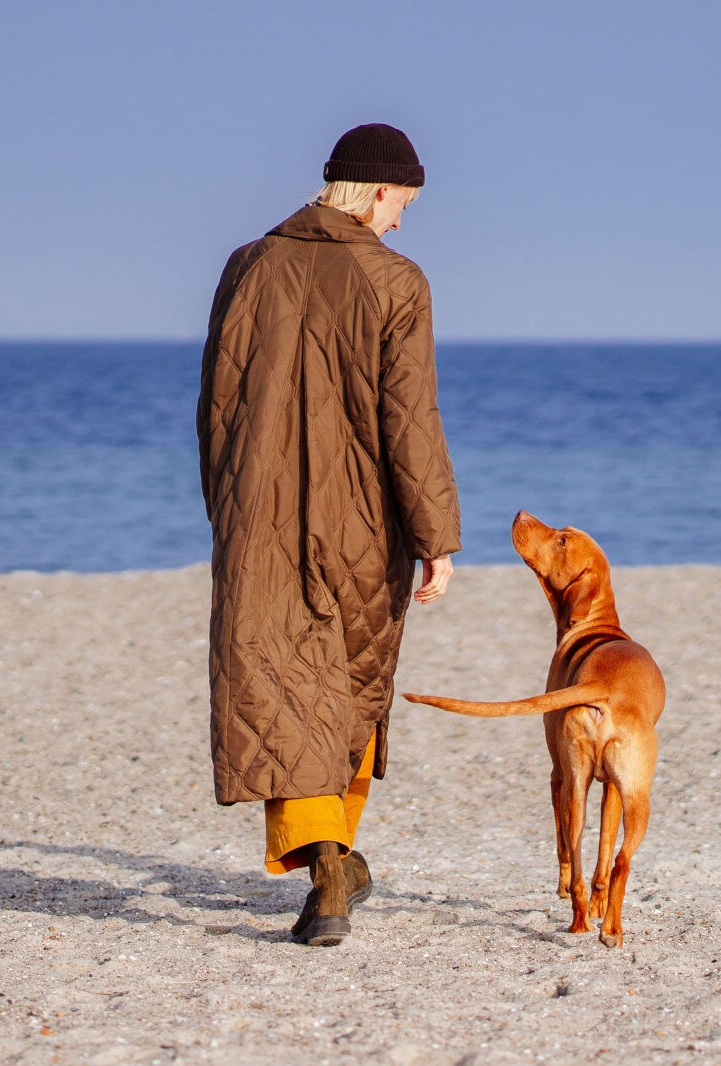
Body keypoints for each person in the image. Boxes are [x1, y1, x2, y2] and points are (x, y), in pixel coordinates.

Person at [196, 123, 461, 946]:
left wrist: (227, 506)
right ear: (376, 191)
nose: (403, 221)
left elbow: (217, 404)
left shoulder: (248, 266)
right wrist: (436, 535)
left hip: (259, 520)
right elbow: (409, 421)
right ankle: (333, 865)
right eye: (403, 203)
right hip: (362, 521)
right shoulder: (396, 281)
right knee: (346, 688)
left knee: (282, 688)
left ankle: (328, 866)